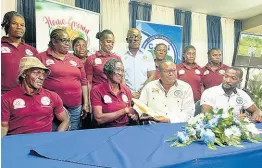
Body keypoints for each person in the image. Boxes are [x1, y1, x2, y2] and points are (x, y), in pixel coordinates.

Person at [1, 57, 69, 137]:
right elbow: (3, 126)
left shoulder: (52, 96)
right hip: (17, 143)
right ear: (24, 74)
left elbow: (65, 120)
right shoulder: (7, 98)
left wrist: (55, 138)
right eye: (36, 73)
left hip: (44, 142)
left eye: (43, 74)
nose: (42, 77)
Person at [36, 29, 89, 130]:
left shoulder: (76, 60)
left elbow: (83, 82)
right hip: (51, 107)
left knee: (72, 137)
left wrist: (85, 103)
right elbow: (35, 81)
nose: (67, 43)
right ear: (54, 41)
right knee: (53, 137)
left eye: (68, 40)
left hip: (75, 107)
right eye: (63, 40)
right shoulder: (41, 57)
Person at [91, 59, 139, 128]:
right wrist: (124, 111)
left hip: (126, 127)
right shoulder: (97, 90)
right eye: (118, 70)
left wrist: (135, 115)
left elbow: (130, 111)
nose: (121, 73)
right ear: (109, 72)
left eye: (122, 71)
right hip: (106, 129)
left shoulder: (126, 90)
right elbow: (99, 118)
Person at [1, 11, 38, 94]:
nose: (19, 27)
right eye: (14, 23)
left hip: (26, 94)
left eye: (22, 25)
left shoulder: (33, 51)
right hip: (3, 94)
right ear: (7, 25)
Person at [121, 28, 156, 99]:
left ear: (141, 39)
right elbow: (120, 77)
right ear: (127, 40)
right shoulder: (120, 55)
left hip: (144, 94)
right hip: (125, 94)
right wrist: (129, 92)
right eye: (132, 37)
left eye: (138, 37)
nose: (135, 39)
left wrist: (141, 91)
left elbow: (152, 75)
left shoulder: (148, 55)